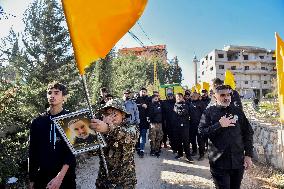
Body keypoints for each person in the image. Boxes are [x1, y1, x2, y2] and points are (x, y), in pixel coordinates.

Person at [198, 85, 254, 189]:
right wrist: (219, 125)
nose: (226, 97)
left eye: (228, 94)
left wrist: (248, 155)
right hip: (219, 163)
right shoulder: (208, 112)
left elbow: (248, 133)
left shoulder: (237, 111)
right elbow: (201, 132)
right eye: (222, 95)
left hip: (238, 162)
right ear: (215, 97)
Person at [29, 82, 76, 189]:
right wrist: (32, 179)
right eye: (49, 93)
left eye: (56, 93)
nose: (52, 95)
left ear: (63, 97)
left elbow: (71, 152)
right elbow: (32, 152)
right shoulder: (38, 122)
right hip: (42, 177)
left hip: (66, 177)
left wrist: (59, 178)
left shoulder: (70, 119)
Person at [90, 99, 139, 188]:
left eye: (114, 114)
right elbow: (92, 152)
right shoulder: (101, 132)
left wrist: (108, 128)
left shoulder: (131, 128)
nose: (110, 117)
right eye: (107, 114)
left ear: (123, 115)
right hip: (103, 182)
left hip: (124, 183)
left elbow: (128, 137)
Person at [172, 93, 194, 163]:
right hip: (176, 126)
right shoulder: (175, 104)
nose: (178, 98)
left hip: (184, 126)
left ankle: (188, 156)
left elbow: (182, 113)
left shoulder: (186, 104)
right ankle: (180, 154)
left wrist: (178, 111)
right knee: (178, 141)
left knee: (186, 141)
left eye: (179, 97)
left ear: (182, 98)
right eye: (177, 97)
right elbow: (176, 113)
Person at [135, 87, 150, 157]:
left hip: (145, 121)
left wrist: (147, 106)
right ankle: (138, 147)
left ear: (146, 93)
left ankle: (142, 150)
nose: (143, 93)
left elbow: (151, 107)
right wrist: (141, 105)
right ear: (139, 92)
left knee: (143, 135)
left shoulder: (148, 99)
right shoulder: (136, 99)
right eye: (142, 92)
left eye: (144, 92)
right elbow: (134, 106)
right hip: (137, 121)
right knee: (137, 135)